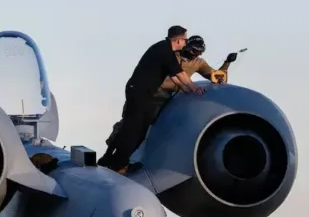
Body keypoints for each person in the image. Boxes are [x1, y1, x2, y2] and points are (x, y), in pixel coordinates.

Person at [97, 26, 203, 174]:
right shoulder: (165, 51)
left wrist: (184, 89)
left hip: (141, 91)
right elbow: (180, 74)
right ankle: (118, 164)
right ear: (178, 40)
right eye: (185, 39)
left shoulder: (165, 49)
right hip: (139, 91)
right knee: (134, 129)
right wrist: (194, 88)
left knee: (136, 127)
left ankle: (109, 159)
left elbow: (174, 75)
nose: (186, 43)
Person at [104, 35, 238, 149]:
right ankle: (114, 142)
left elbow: (216, 77)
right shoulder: (172, 56)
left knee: (147, 123)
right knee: (132, 120)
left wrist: (227, 63)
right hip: (152, 90)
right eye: (193, 50)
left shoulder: (198, 63)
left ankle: (132, 152)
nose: (195, 54)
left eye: (199, 52)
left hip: (169, 96)